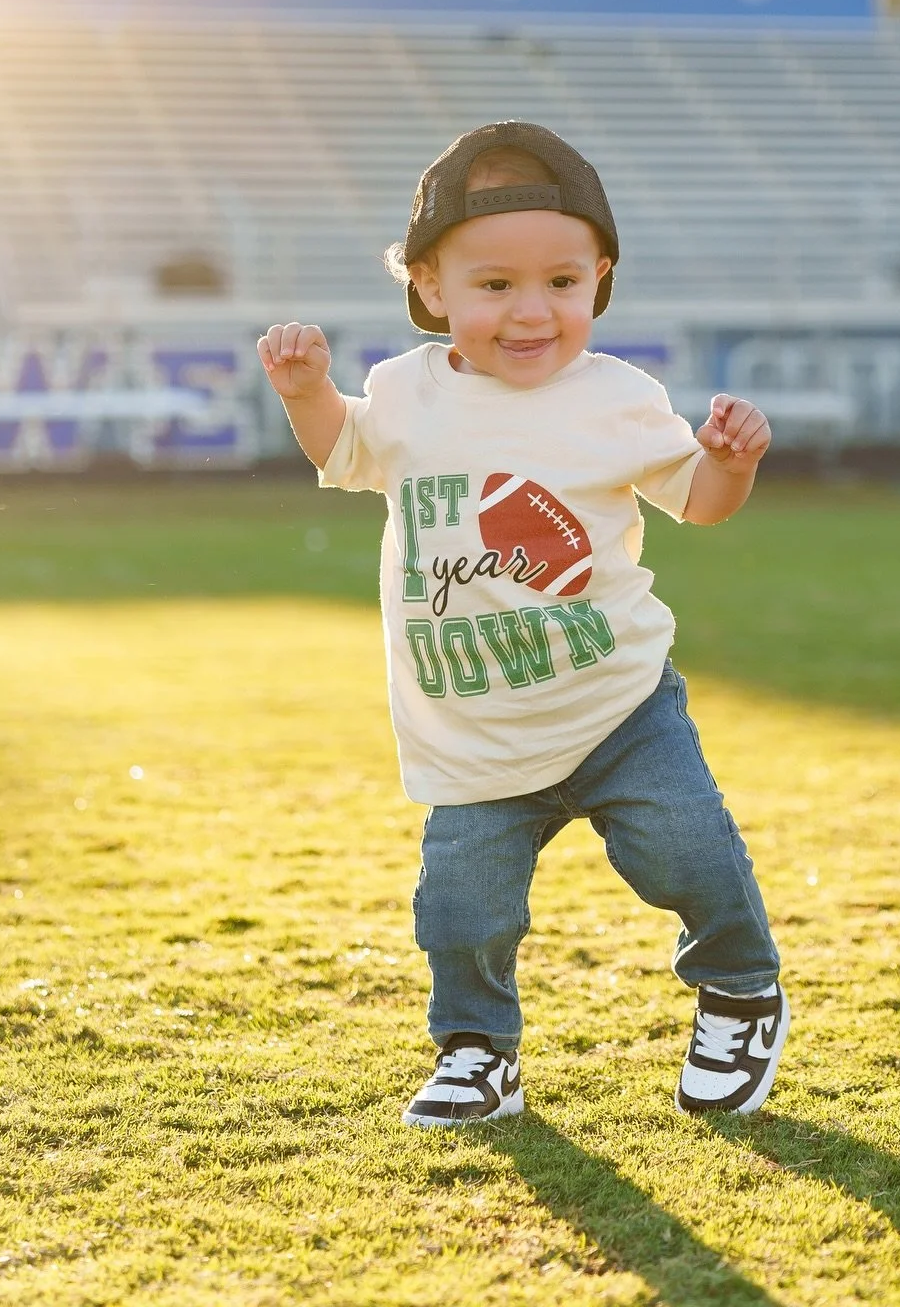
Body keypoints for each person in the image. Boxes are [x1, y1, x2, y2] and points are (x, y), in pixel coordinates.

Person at [257, 121, 785, 1127]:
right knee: (461, 910)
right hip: (472, 730)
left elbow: (701, 502)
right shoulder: (408, 393)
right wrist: (307, 391)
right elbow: (344, 450)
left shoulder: (618, 398)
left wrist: (732, 463)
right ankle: (476, 1051)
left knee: (686, 856)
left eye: (563, 283)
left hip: (617, 705)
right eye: (494, 286)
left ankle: (738, 989)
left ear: (600, 280)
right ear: (430, 288)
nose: (532, 311)